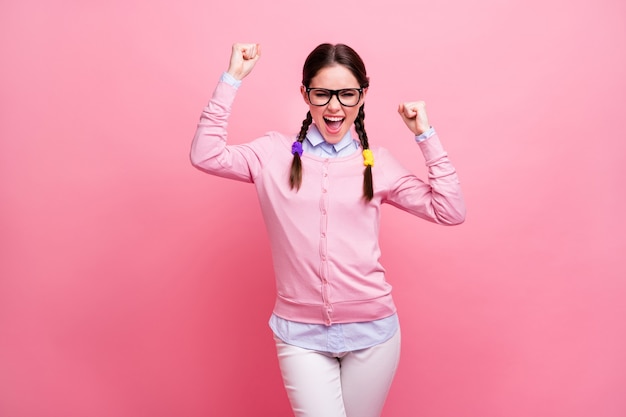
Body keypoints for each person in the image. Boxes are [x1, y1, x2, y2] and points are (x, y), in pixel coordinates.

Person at [190, 42, 466, 417]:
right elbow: (205, 153)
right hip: (299, 335)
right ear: (305, 94)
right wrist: (232, 78)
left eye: (347, 94)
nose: (334, 107)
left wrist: (424, 135)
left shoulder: (378, 164)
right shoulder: (272, 154)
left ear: (363, 95)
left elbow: (449, 210)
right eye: (322, 94)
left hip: (373, 334)